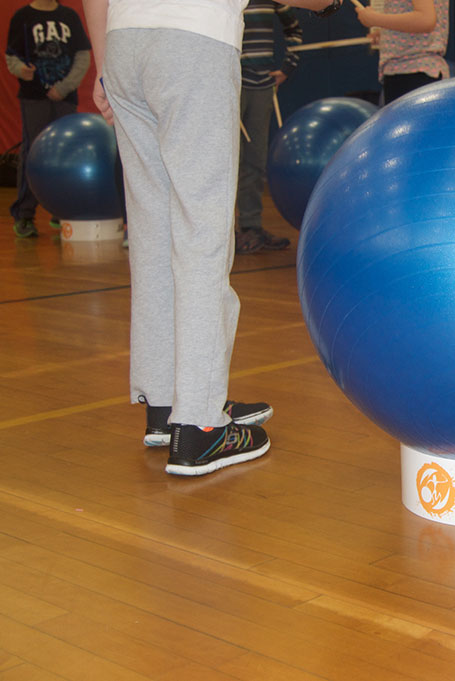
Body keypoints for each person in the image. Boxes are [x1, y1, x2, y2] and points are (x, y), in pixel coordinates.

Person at [81, 0, 336, 476]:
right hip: (193, 43)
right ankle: (199, 426)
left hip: (124, 45)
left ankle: (165, 403)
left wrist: (103, 67)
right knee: (202, 230)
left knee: (153, 227)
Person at [5, 0, 91, 239]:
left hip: (64, 98)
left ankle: (62, 210)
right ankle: (24, 214)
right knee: (32, 152)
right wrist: (21, 69)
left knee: (66, 153)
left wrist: (64, 87)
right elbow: (11, 56)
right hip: (33, 98)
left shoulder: (69, 17)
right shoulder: (22, 16)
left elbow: (82, 56)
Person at [235, 0, 303, 256]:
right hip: (231, 85)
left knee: (255, 159)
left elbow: (294, 29)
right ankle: (225, 234)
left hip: (262, 86)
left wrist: (288, 66)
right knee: (226, 162)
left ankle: (251, 228)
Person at [354, 0, 449, 105]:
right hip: (414, 70)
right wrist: (387, 34)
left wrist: (375, 19)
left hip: (412, 70)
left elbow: (425, 19)